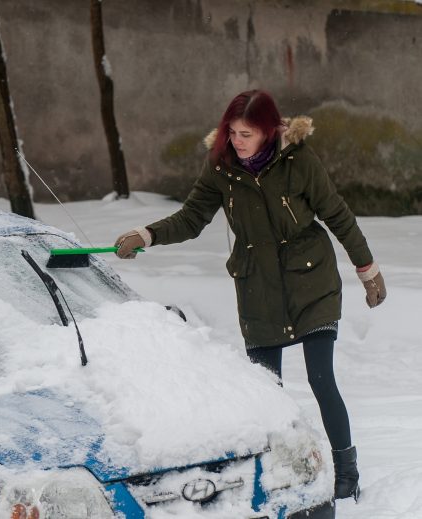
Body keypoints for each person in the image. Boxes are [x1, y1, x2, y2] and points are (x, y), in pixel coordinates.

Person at [113, 90, 385, 503]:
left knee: (320, 378)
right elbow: (192, 217)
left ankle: (347, 471)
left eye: (247, 133)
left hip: (310, 282)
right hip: (258, 289)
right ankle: (273, 473)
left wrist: (368, 272)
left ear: (269, 132)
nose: (237, 141)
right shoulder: (222, 167)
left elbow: (338, 215)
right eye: (232, 132)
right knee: (266, 392)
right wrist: (146, 235)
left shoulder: (299, 161)